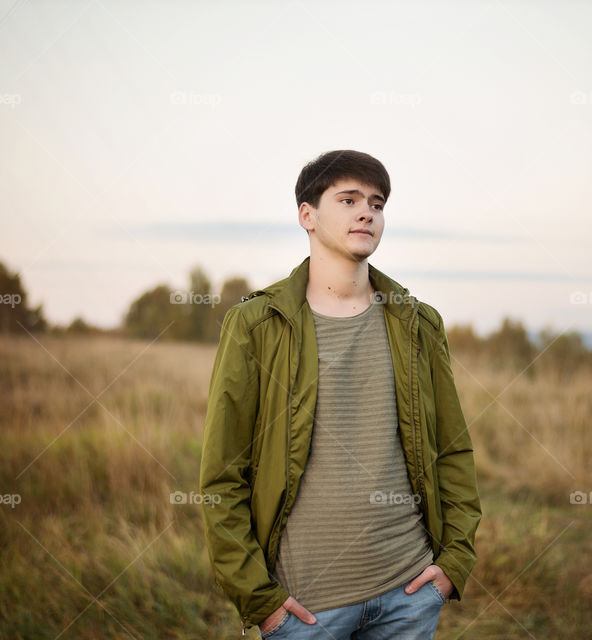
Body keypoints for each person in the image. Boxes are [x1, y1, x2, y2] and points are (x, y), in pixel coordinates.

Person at [199, 150, 482, 638]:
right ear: (307, 215)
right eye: (348, 200)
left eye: (377, 203)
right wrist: (259, 598)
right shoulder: (256, 325)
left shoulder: (417, 323)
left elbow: (453, 450)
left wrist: (454, 563)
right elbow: (223, 474)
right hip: (305, 608)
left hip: (409, 593)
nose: (366, 212)